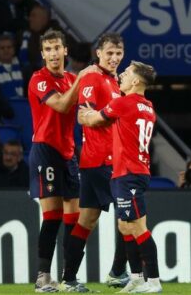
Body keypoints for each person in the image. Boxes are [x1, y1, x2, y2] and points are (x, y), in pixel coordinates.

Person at [78, 61, 162, 293]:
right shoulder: (148, 106)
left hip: (129, 173)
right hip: (132, 171)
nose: (121, 76)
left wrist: (83, 114)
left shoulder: (124, 103)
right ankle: (135, 277)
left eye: (126, 73)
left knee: (138, 228)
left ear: (136, 81)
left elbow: (94, 119)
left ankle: (153, 280)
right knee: (125, 226)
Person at [60, 32, 132, 290]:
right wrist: (115, 114)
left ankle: (68, 279)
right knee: (130, 215)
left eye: (118, 53)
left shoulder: (115, 81)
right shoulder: (92, 77)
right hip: (104, 160)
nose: (114, 58)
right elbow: (83, 116)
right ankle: (118, 272)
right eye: (109, 53)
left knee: (86, 221)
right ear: (98, 53)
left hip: (98, 161)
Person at [27, 29, 96, 292]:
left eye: (57, 48)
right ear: (42, 54)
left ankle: (69, 278)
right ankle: (43, 277)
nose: (53, 54)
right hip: (45, 151)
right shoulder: (39, 79)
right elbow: (62, 106)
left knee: (74, 217)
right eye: (48, 49)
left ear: (65, 50)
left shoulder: (71, 78)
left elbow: (85, 109)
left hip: (68, 154)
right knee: (53, 216)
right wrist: (82, 79)